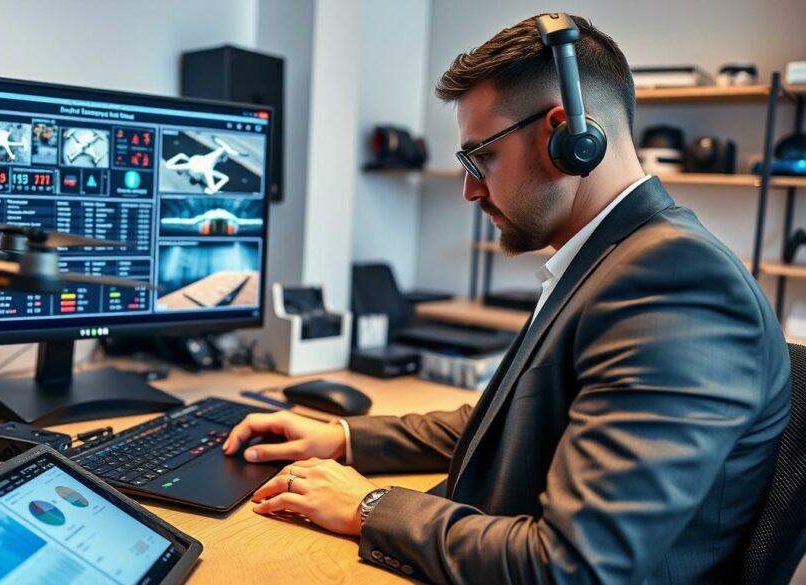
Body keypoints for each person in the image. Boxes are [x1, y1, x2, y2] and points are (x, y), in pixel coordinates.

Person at [222, 13, 791, 585]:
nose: (470, 188)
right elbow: (520, 415)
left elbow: (574, 568)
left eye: (479, 157)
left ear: (569, 137)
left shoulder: (675, 282)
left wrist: (371, 507)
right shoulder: (617, 259)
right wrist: (345, 437)